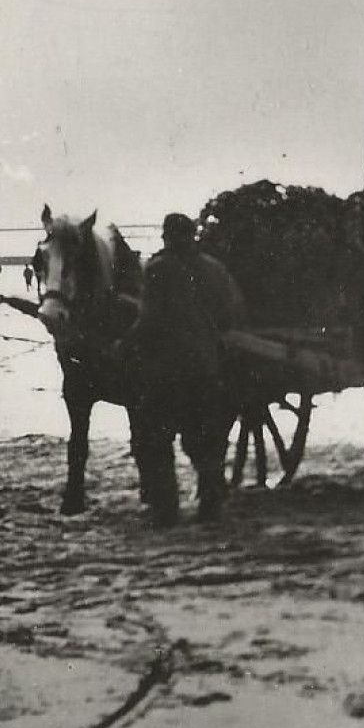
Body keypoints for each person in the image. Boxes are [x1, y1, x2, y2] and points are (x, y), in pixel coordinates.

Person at [129, 213, 243, 525]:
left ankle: (165, 508)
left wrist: (125, 343)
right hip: (207, 368)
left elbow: (149, 319)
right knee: (205, 437)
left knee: (153, 436)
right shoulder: (214, 268)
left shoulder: (158, 269)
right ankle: (210, 503)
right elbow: (231, 312)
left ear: (166, 236)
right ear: (193, 236)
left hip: (167, 370)